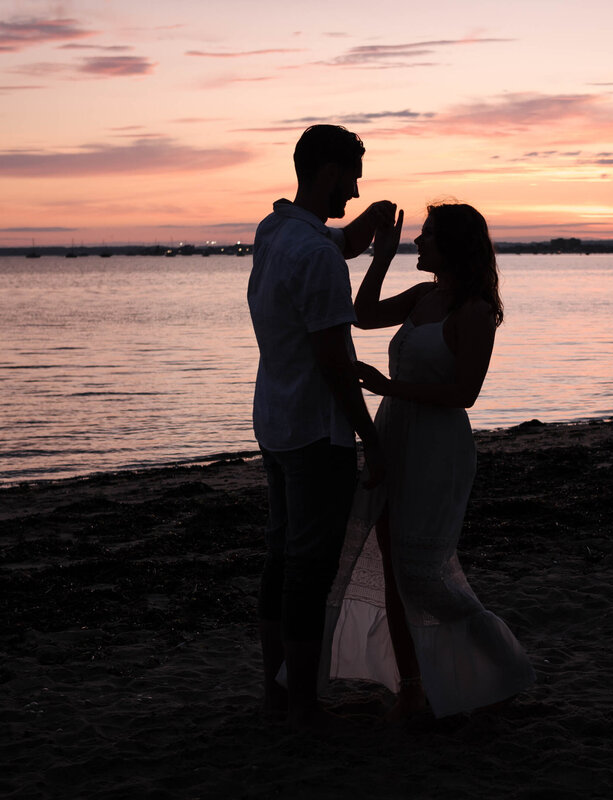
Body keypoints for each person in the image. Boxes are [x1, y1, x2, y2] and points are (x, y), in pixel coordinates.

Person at [321, 202, 536, 720]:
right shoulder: (422, 296)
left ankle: (501, 664)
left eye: (428, 234)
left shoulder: (475, 310)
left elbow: (465, 393)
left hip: (439, 447)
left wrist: (389, 386)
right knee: (392, 568)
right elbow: (364, 314)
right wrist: (381, 257)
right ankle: (413, 685)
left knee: (421, 572)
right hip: (395, 435)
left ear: (456, 245)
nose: (419, 241)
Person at [247, 124, 395, 730]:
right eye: (353, 176)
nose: (356, 190)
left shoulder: (276, 230)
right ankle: (304, 706)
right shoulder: (313, 255)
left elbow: (331, 244)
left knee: (282, 559)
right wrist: (373, 439)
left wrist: (367, 234)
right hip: (314, 431)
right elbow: (336, 363)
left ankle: (280, 695)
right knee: (309, 570)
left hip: (275, 420)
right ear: (330, 171)